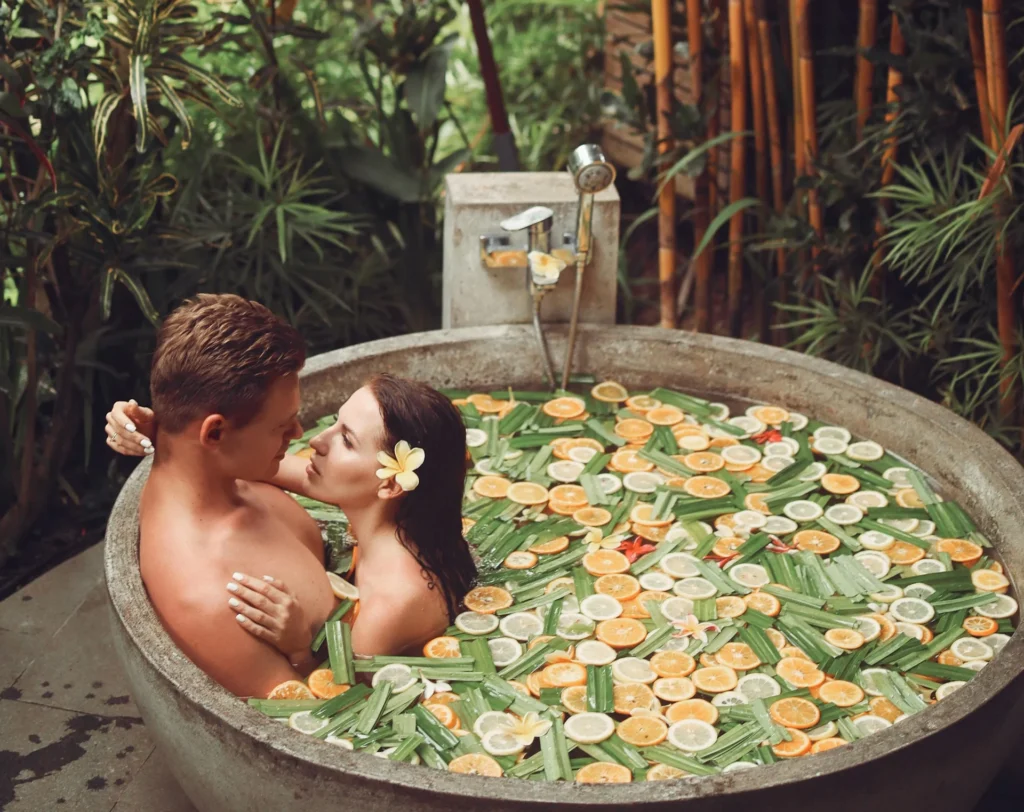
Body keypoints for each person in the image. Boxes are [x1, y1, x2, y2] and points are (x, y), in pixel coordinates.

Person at [108, 293, 476, 698]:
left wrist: (166, 432)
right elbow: (311, 714)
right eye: (282, 426)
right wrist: (303, 653)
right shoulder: (210, 597)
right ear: (215, 434)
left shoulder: (231, 470)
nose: (303, 435)